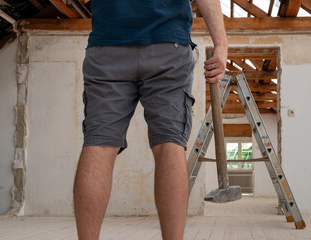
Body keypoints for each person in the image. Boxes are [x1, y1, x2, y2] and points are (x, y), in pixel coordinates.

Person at [72, 0, 227, 239]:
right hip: (168, 44)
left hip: (108, 43)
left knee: (99, 144)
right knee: (169, 145)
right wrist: (221, 44)